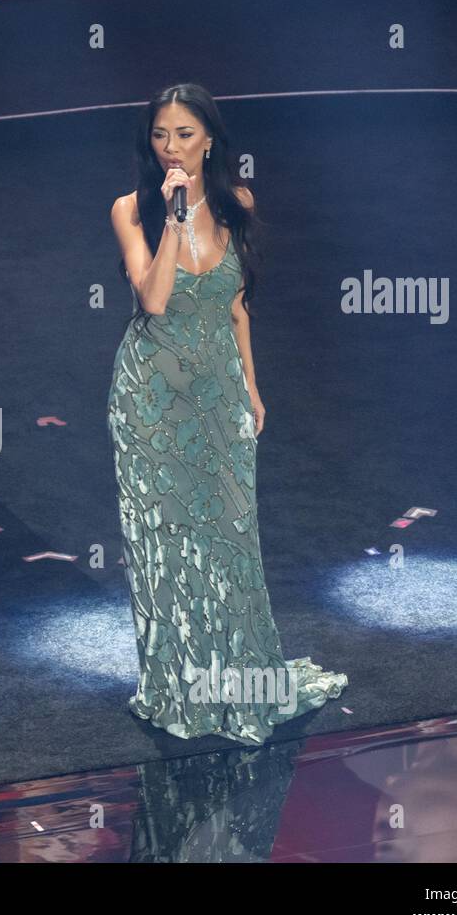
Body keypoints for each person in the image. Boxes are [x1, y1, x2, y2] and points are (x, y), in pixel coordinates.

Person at [107, 84, 347, 746]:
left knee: (228, 542)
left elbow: (237, 307)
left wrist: (253, 388)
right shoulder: (133, 210)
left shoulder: (238, 203)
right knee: (167, 549)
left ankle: (237, 683)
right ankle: (177, 688)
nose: (172, 148)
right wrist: (176, 220)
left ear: (208, 139)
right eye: (160, 135)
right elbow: (154, 300)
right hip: (151, 399)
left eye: (184, 135)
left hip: (219, 392)